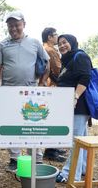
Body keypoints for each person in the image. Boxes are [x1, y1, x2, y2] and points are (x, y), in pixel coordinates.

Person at [0, 11, 49, 173]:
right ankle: (14, 159)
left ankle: (36, 159)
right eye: (10, 25)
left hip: (31, 92)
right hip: (8, 92)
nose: (13, 28)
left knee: (33, 126)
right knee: (12, 126)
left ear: (24, 24)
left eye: (16, 24)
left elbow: (46, 62)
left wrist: (42, 83)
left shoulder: (35, 43)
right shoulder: (2, 45)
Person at [54, 34, 92, 183]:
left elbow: (85, 77)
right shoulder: (67, 60)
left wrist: (75, 96)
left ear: (72, 43)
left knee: (75, 140)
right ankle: (82, 168)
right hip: (70, 104)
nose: (62, 46)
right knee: (81, 140)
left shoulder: (80, 56)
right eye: (59, 44)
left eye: (65, 42)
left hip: (79, 105)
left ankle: (68, 174)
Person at [41, 27, 66, 163]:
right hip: (53, 86)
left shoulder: (46, 48)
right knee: (54, 119)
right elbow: (58, 70)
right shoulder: (50, 50)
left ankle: (54, 147)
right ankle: (50, 150)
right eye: (56, 35)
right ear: (50, 37)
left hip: (50, 85)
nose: (57, 37)